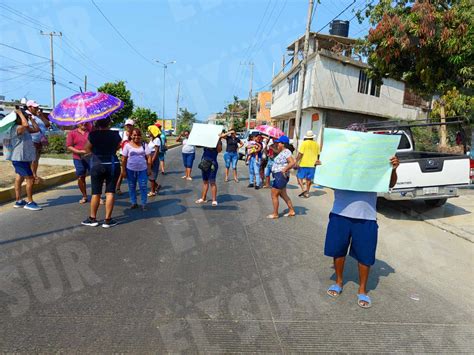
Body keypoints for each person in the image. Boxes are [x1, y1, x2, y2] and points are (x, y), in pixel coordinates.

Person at [324, 123, 400, 309]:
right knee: (338, 250)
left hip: (366, 216)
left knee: (365, 256)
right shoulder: (339, 158)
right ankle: (339, 281)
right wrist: (323, 167)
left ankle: (363, 290)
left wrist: (393, 169)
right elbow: (329, 180)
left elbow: (389, 184)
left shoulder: (376, 160)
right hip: (340, 213)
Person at [82, 117, 122, 228]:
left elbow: (86, 149)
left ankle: (92, 219)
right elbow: (118, 146)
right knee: (110, 192)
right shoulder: (115, 134)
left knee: (96, 193)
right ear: (109, 122)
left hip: (97, 165)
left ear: (97, 123)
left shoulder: (93, 135)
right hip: (112, 164)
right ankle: (108, 220)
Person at [7, 109, 42, 211]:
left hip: (23, 157)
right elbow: (26, 125)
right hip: (19, 158)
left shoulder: (23, 128)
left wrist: (32, 119)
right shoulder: (17, 128)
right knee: (30, 179)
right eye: (25, 117)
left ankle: (19, 201)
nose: (26, 118)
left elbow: (36, 129)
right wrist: (20, 113)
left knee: (19, 178)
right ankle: (30, 202)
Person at [121, 128, 152, 210]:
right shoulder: (127, 145)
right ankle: (133, 202)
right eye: (134, 135)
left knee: (143, 186)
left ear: (141, 136)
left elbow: (149, 157)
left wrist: (149, 169)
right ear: (131, 135)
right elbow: (123, 159)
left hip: (143, 170)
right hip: (130, 170)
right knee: (131, 186)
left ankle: (144, 203)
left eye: (138, 135)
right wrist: (123, 171)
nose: (136, 137)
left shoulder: (144, 145)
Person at [267, 135, 296, 219]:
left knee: (274, 195)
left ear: (283, 144)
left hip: (280, 176)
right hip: (279, 175)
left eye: (278, 143)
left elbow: (292, 162)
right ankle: (291, 210)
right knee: (283, 194)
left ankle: (275, 214)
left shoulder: (286, 152)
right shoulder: (283, 152)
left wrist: (284, 169)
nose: (277, 144)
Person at [66, 123, 92, 204]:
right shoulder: (72, 133)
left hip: (91, 157)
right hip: (78, 158)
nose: (84, 124)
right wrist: (79, 152)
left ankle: (97, 196)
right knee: (81, 176)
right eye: (82, 122)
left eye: (86, 122)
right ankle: (84, 196)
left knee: (95, 176)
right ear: (78, 124)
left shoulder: (91, 132)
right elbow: (69, 146)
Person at [26, 100, 50, 184]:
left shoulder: (38, 115)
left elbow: (47, 124)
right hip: (31, 140)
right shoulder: (26, 115)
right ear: (29, 107)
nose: (37, 108)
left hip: (39, 140)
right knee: (32, 159)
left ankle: (34, 174)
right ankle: (30, 175)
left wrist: (42, 116)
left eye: (37, 107)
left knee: (36, 159)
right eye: (35, 107)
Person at [195, 139, 222, 207]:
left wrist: (218, 141)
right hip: (204, 163)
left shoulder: (218, 141)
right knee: (205, 181)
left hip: (212, 163)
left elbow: (219, 150)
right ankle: (203, 198)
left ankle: (214, 200)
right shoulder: (206, 139)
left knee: (212, 182)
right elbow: (197, 145)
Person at [296, 130, 321, 198]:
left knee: (299, 176)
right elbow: (318, 155)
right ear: (313, 137)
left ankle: (303, 188)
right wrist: (316, 161)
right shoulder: (317, 144)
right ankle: (307, 192)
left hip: (303, 163)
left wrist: (296, 161)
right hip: (312, 165)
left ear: (306, 137)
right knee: (309, 179)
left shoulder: (304, 143)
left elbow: (300, 153)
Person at [116, 118, 135, 195]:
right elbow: (118, 144)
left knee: (131, 172)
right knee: (122, 171)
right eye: (127, 125)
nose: (128, 127)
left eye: (130, 125)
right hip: (123, 154)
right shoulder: (122, 134)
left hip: (132, 155)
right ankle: (118, 187)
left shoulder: (134, 134)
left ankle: (132, 188)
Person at [147, 125, 162, 196]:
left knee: (152, 175)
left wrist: (152, 161)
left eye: (149, 131)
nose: (148, 132)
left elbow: (156, 152)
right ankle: (157, 186)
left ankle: (152, 191)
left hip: (154, 158)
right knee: (149, 175)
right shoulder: (151, 139)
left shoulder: (157, 140)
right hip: (150, 157)